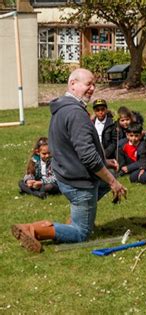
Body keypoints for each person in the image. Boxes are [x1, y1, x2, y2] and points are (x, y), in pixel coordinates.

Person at [11, 68, 127, 253]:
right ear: (73, 84)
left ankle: (75, 217)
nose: (92, 88)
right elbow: (87, 156)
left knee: (107, 178)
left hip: (65, 175)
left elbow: (72, 146)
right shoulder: (75, 114)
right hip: (79, 183)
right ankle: (33, 229)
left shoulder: (62, 107)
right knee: (82, 233)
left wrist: (104, 162)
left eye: (94, 85)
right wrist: (113, 182)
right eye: (88, 84)